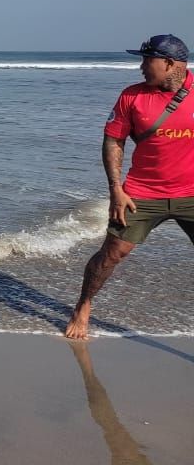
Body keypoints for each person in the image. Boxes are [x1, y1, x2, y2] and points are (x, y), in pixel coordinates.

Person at [65, 34, 192, 339]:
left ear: (169, 63)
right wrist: (116, 190)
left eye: (147, 60)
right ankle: (83, 305)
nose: (141, 67)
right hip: (142, 193)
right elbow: (114, 140)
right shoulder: (131, 97)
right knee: (112, 254)